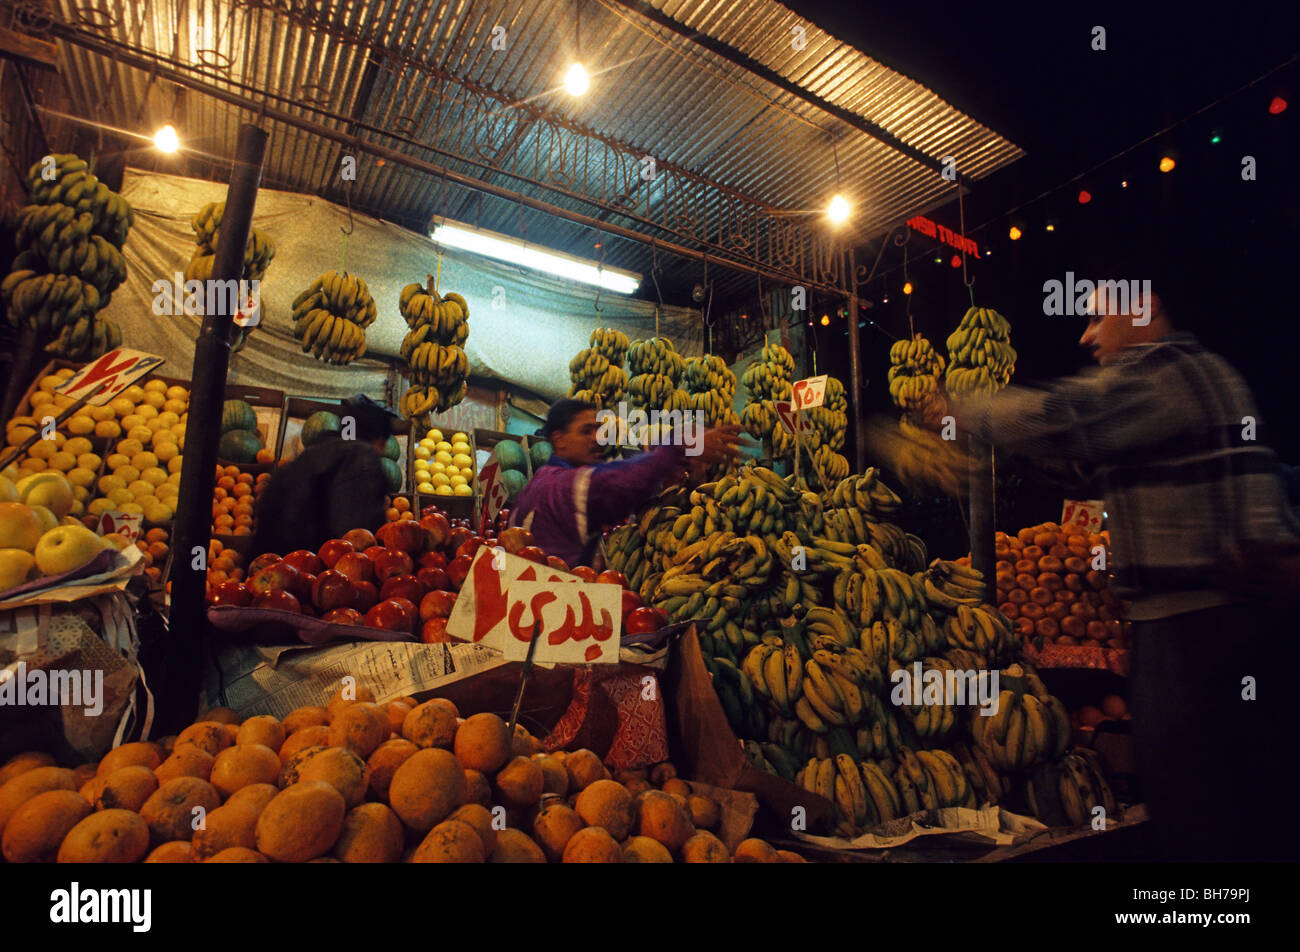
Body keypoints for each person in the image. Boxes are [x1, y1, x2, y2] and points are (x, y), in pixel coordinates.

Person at [940, 279, 1298, 861]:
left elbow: (1067, 416)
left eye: (1096, 319)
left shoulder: (1172, 373)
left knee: (1202, 808)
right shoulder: (1194, 381)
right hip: (1198, 629)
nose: (1086, 335)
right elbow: (1085, 462)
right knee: (1212, 805)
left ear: (1146, 305)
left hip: (1201, 631)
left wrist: (966, 409)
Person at [510, 398, 743, 569]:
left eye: (598, 430)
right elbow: (616, 481)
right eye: (586, 431)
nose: (598, 439)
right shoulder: (565, 487)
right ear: (559, 440)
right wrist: (676, 448)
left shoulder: (539, 481)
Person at [250, 396, 395, 556]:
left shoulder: (315, 449)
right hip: (308, 567)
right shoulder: (361, 458)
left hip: (269, 561)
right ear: (379, 440)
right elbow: (356, 535)